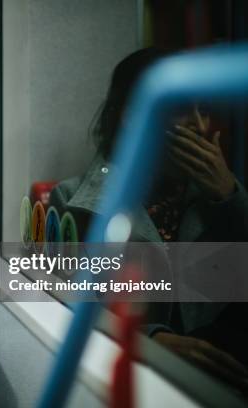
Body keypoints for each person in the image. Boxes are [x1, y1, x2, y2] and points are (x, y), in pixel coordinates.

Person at [50, 48, 248, 385]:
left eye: (204, 109)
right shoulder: (71, 202)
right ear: (135, 114)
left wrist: (230, 198)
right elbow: (66, 312)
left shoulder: (217, 197)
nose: (200, 126)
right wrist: (148, 339)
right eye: (184, 108)